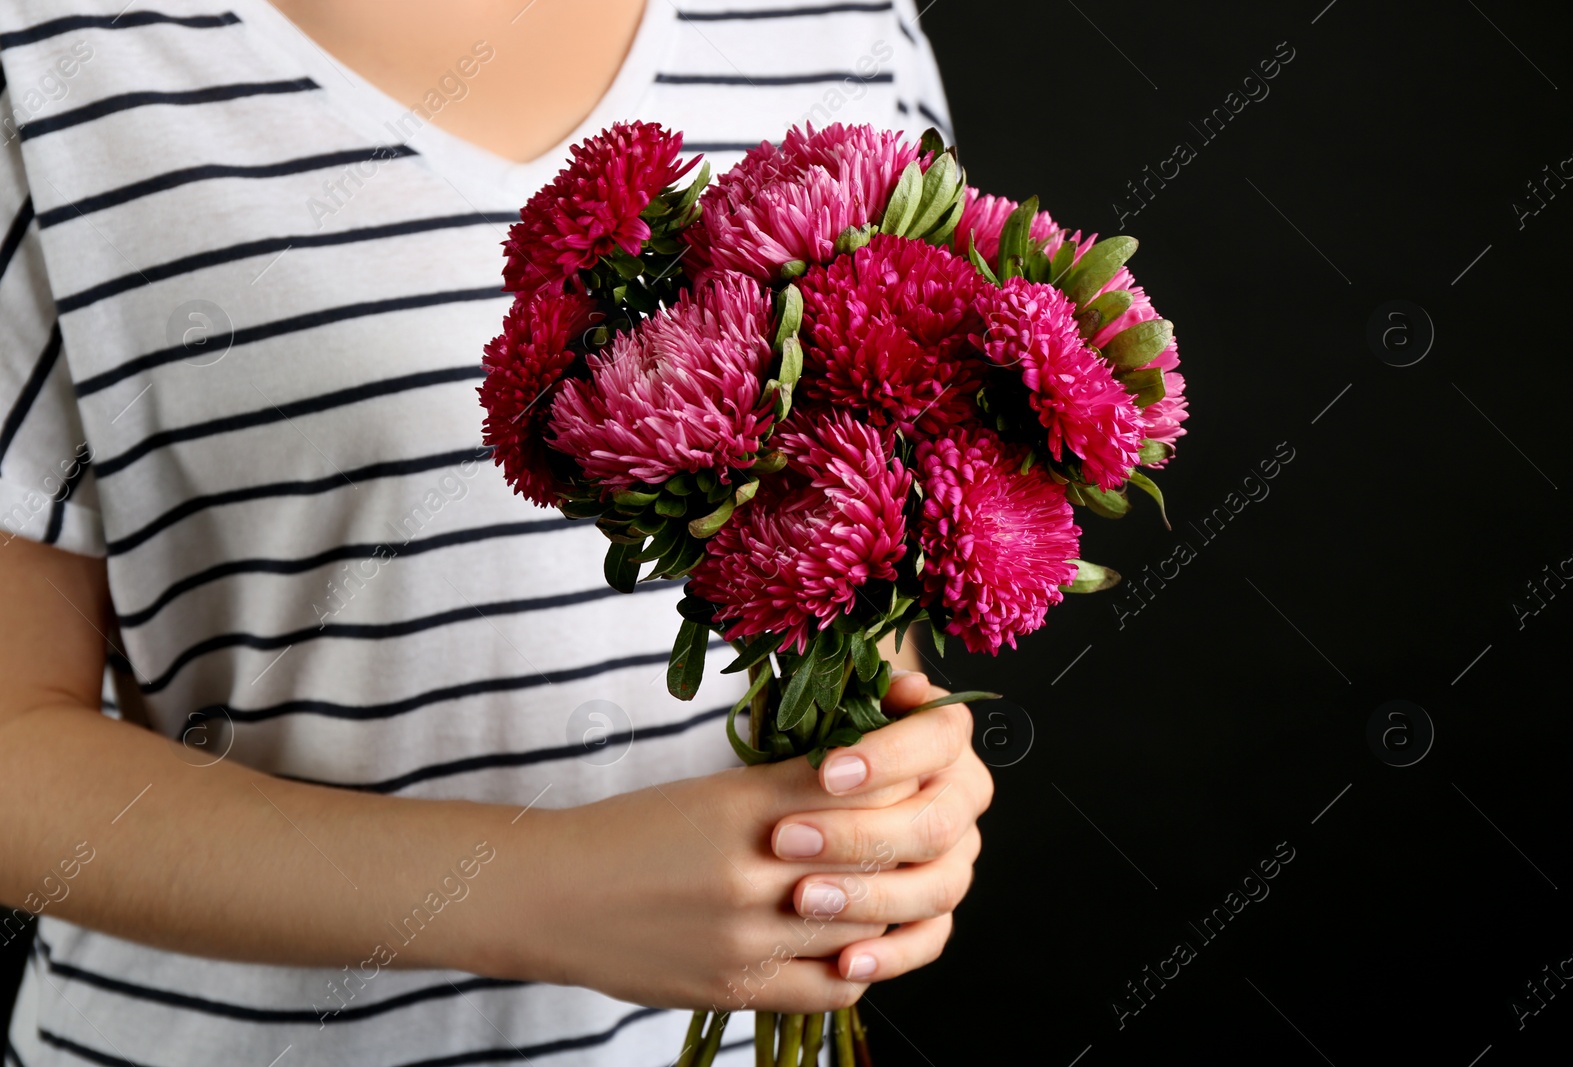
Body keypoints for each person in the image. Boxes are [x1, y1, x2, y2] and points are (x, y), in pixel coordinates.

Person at [0, 1, 991, 1064]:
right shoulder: (57, 50)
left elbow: (863, 584)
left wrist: (896, 796)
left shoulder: (844, 20)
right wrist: (539, 890)